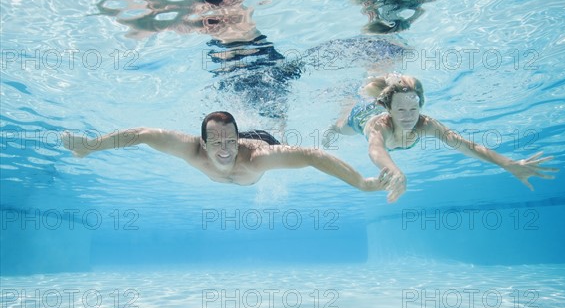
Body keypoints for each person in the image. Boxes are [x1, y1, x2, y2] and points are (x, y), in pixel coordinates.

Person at [62, 111, 401, 200]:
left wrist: (362, 183)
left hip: (262, 138)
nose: (223, 150)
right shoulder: (192, 149)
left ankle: (272, 119)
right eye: (215, 143)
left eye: (229, 141)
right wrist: (90, 146)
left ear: (237, 140)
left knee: (274, 126)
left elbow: (312, 155)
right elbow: (143, 135)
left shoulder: (257, 157)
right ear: (202, 142)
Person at [323, 74, 558, 201]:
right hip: (361, 115)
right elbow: (376, 149)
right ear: (389, 110)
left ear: (421, 107)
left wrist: (509, 164)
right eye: (400, 111)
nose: (408, 117)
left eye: (413, 110)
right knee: (342, 129)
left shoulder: (427, 125)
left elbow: (468, 146)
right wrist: (394, 171)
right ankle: (332, 128)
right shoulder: (380, 124)